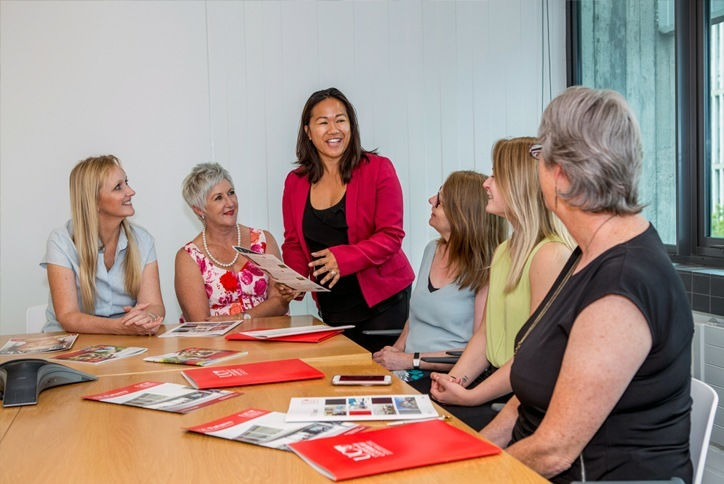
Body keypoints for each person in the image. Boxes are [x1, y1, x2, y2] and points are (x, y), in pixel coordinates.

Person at [480, 87, 693, 482]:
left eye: (537, 155)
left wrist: (472, 475)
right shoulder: (590, 251)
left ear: (560, 175)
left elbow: (554, 450)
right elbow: (526, 400)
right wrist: (472, 451)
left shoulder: (623, 283)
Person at [429, 137, 572, 430]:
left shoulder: (550, 255)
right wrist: (454, 382)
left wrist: (472, 395)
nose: (486, 184)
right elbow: (485, 334)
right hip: (498, 387)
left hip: (522, 400)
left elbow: (534, 357)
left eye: (495, 175)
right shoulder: (504, 250)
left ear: (519, 185)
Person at [282, 87, 415, 352]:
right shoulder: (295, 182)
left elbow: (391, 236)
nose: (334, 129)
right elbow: (295, 243)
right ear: (307, 131)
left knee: (378, 385)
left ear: (351, 126)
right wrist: (293, 281)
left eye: (340, 120)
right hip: (333, 309)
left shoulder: (379, 169)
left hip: (384, 304)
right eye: (323, 122)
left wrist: (342, 259)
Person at [372, 171, 506, 381]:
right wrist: (395, 352)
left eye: (440, 201)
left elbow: (479, 351)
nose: (431, 200)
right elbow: (415, 318)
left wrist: (410, 360)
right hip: (408, 368)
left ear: (462, 214)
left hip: (448, 377)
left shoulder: (489, 269)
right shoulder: (431, 249)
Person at [41, 155, 165, 334]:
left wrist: (147, 317)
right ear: (94, 201)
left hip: (125, 342)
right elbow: (68, 316)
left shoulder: (143, 240)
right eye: (118, 187)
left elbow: (154, 305)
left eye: (127, 182)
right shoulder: (61, 241)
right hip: (69, 342)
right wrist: (119, 327)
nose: (131, 191)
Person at [175, 163, 291, 322]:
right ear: (199, 210)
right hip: (217, 343)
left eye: (231, 193)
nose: (230, 203)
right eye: (218, 198)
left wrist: (241, 318)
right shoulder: (189, 257)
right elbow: (200, 322)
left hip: (268, 338)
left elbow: (281, 302)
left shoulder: (263, 240)